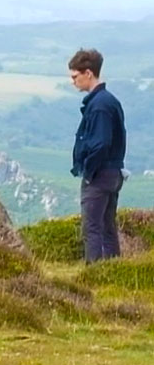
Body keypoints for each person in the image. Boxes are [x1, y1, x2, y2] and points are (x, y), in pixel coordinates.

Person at [69, 48, 127, 263]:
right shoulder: (108, 100)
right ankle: (113, 268)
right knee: (107, 225)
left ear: (88, 73)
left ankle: (94, 273)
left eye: (75, 76)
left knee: (91, 227)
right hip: (113, 172)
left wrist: (88, 171)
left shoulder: (100, 105)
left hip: (100, 175)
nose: (72, 82)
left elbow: (101, 144)